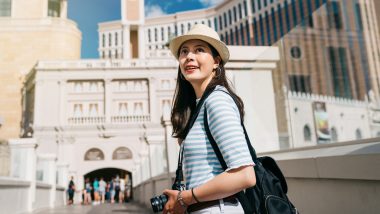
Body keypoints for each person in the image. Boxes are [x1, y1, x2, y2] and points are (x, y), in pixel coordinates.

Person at [162, 24, 256, 214]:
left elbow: (245, 176)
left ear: (216, 62)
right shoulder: (200, 105)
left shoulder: (217, 100)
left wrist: (184, 198)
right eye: (184, 51)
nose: (189, 56)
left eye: (199, 50)